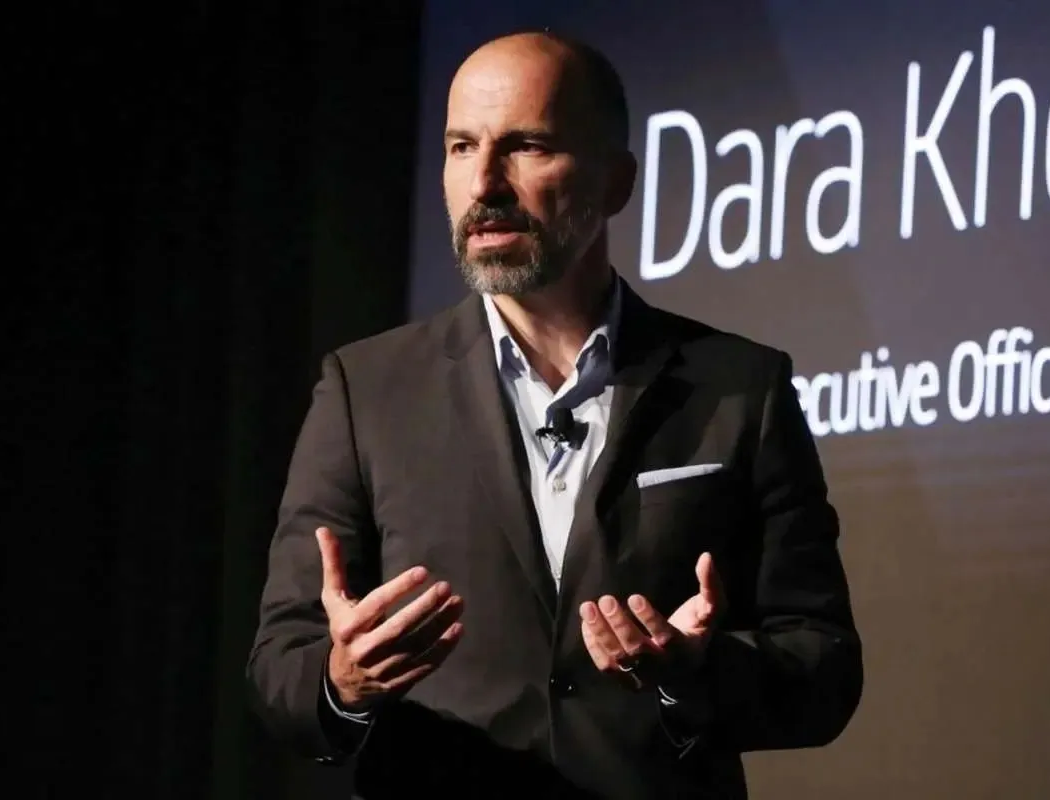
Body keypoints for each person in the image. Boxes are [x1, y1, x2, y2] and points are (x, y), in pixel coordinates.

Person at [247, 30, 863, 800]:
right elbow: (280, 667)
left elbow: (823, 666)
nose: (485, 183)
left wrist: (695, 674)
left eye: (527, 146)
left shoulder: (740, 386)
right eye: (462, 147)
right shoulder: (365, 390)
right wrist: (342, 680)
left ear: (616, 182)